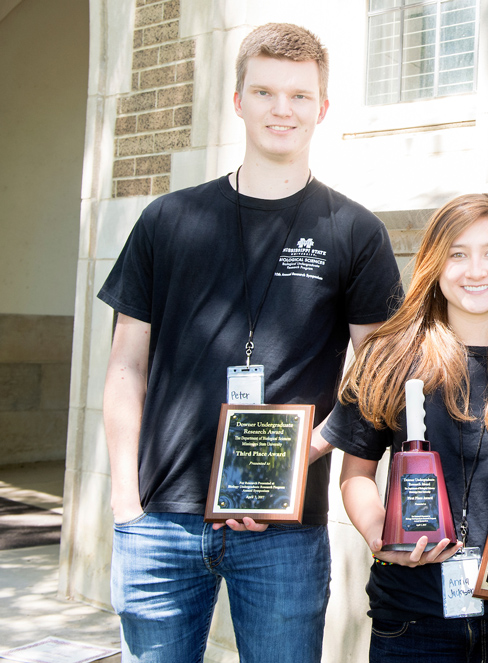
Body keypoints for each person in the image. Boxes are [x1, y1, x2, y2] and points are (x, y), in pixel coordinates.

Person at [98, 23, 401, 662]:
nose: (281, 110)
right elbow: (127, 366)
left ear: (323, 108)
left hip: (283, 533)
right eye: (264, 92)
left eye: (298, 95)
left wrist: (298, 461)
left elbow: (379, 375)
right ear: (238, 100)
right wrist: (126, 505)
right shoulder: (167, 220)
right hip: (161, 521)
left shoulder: (355, 231)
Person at [318, 193, 488, 662]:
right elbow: (357, 476)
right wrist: (380, 539)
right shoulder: (389, 358)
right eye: (457, 254)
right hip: (412, 617)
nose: (476, 270)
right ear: (434, 265)